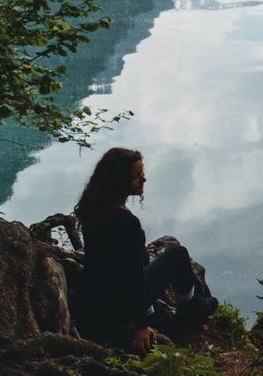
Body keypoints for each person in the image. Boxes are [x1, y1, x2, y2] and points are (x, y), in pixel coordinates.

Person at [73, 147, 218, 352]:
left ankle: (154, 311)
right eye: (136, 175)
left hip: (98, 301)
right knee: (177, 254)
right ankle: (191, 309)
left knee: (142, 255)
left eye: (142, 173)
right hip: (119, 307)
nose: (144, 179)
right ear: (119, 180)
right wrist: (141, 325)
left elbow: (107, 265)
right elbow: (132, 278)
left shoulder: (92, 210)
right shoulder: (126, 223)